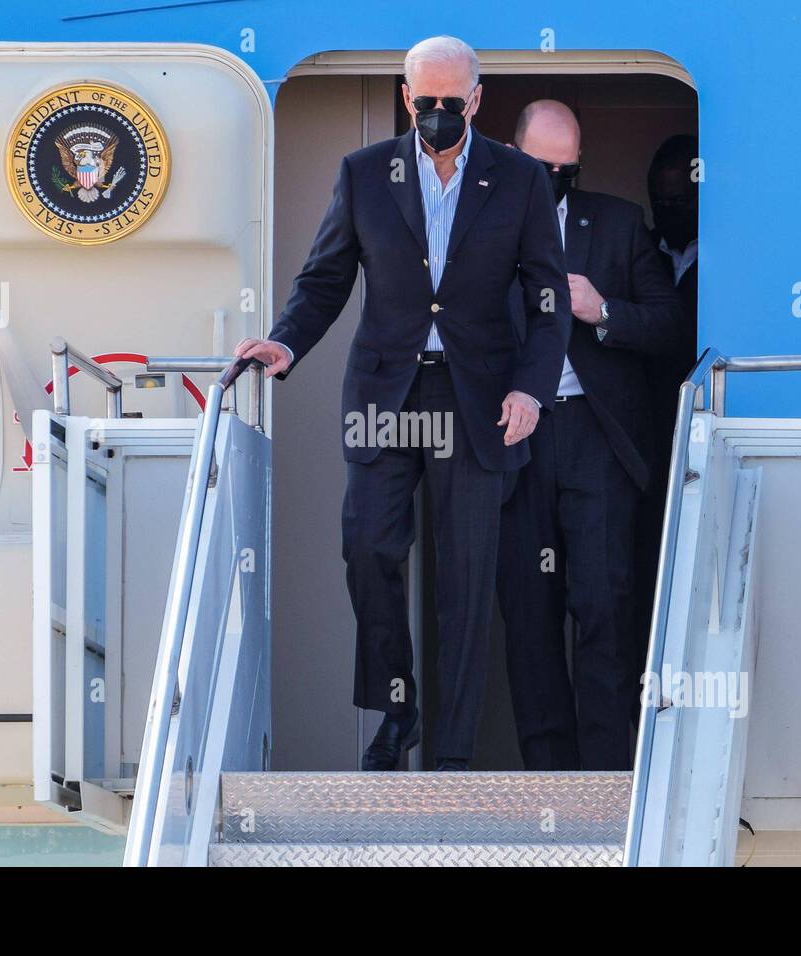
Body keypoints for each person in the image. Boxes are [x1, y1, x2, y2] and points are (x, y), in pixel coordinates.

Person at [235, 36, 568, 771]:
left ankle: (451, 757)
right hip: (386, 392)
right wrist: (285, 344)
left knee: (466, 578)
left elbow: (548, 303)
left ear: (477, 101)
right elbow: (325, 279)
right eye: (427, 103)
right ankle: (398, 705)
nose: (440, 115)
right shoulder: (364, 174)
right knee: (368, 548)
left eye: (454, 103)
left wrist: (531, 389)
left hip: (478, 399)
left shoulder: (518, 181)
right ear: (405, 96)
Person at [496, 100, 681, 771]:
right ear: (512, 158)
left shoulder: (619, 224)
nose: (555, 183)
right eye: (543, 169)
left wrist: (601, 309)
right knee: (528, 611)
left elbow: (673, 328)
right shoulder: (474, 228)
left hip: (597, 440)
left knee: (605, 604)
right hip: (515, 436)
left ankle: (608, 781)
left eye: (567, 172)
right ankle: (549, 787)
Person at [630, 135, 700, 744]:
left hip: (700, 453)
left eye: (680, 199)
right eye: (661, 199)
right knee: (630, 597)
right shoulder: (637, 250)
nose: (668, 210)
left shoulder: (732, 255)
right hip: (636, 450)